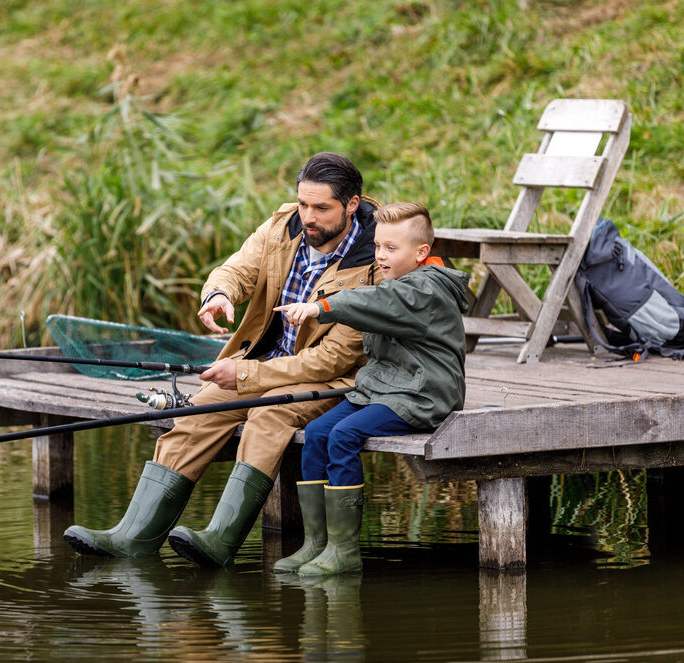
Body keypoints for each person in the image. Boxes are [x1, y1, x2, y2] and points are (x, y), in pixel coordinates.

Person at [64, 152, 383, 566]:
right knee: (198, 411)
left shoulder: (374, 261)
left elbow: (332, 359)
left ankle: (221, 539)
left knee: (269, 416)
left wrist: (246, 373)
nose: (309, 216)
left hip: (332, 380)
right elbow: (236, 269)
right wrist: (218, 294)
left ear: (351, 205)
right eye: (304, 204)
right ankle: (133, 537)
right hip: (262, 366)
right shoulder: (283, 226)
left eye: (321, 208)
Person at [271, 202, 470, 575]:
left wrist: (321, 307)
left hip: (424, 395)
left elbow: (377, 301)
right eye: (378, 246)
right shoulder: (397, 279)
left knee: (345, 434)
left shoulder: (424, 289)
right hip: (385, 389)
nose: (380, 256)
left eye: (391, 249)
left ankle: (344, 551)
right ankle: (316, 543)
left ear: (421, 252)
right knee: (316, 432)